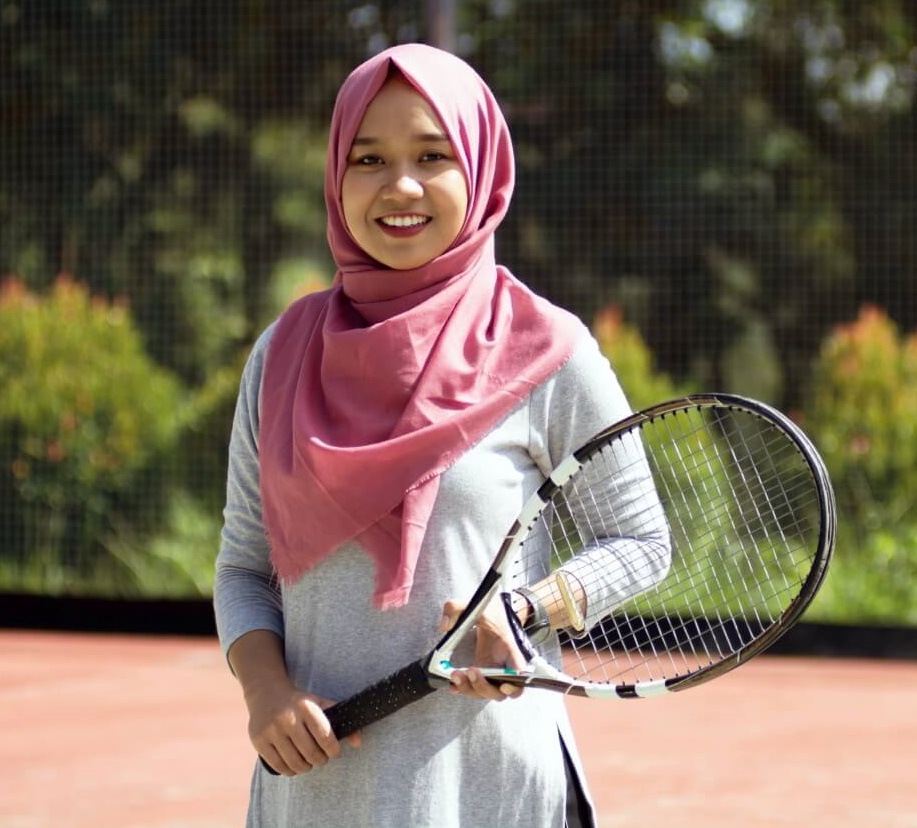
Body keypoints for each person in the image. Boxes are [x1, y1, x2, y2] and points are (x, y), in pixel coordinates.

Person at [214, 42, 633, 828]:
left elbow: (638, 540)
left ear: (478, 167)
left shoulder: (549, 349)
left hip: (494, 792)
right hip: (316, 794)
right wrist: (265, 693)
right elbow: (243, 566)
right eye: (368, 157)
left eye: (432, 155)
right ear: (337, 175)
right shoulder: (281, 354)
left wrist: (526, 611)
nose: (398, 186)